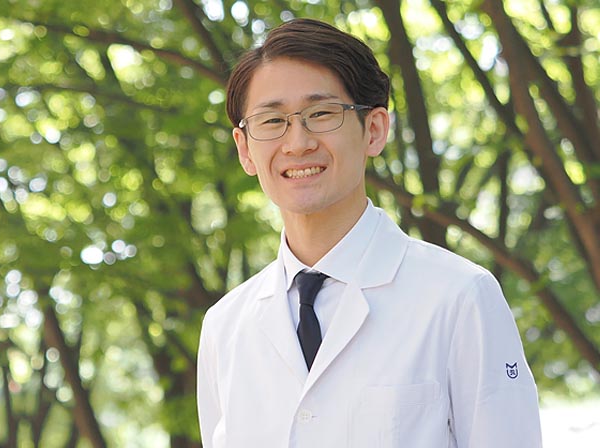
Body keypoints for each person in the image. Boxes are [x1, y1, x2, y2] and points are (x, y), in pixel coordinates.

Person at [196, 18, 542, 447]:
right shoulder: (225, 327)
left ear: (374, 130)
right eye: (271, 120)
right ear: (245, 149)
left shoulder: (459, 296)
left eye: (321, 114)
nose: (297, 143)